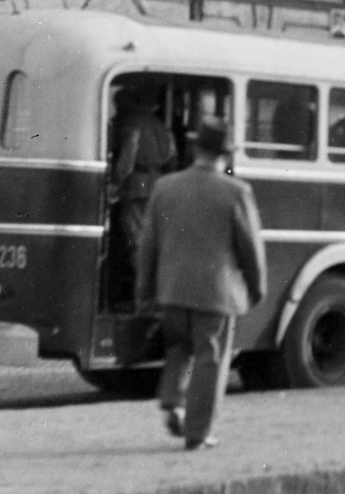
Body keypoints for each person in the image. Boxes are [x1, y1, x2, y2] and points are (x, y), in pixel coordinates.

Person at [137, 118, 266, 451]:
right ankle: (198, 431)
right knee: (210, 358)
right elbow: (250, 247)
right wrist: (257, 287)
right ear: (226, 155)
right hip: (215, 295)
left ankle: (172, 399)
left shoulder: (165, 186)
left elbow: (147, 245)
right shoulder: (237, 192)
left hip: (172, 291)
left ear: (196, 149)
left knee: (179, 348)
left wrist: (145, 292)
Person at [109, 85, 176, 304]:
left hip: (136, 187)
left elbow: (128, 158)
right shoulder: (160, 125)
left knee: (136, 242)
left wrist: (116, 183)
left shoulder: (130, 122)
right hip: (157, 185)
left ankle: (144, 298)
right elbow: (170, 155)